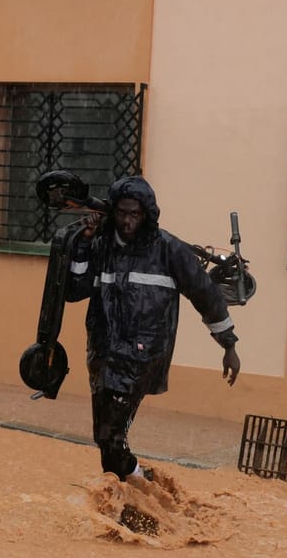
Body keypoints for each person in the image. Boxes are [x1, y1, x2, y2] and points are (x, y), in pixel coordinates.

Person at [63, 176, 241, 481]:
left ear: (146, 214)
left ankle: (141, 502)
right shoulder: (101, 245)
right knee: (105, 441)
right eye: (121, 213)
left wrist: (228, 345)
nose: (127, 221)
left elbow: (205, 295)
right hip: (104, 358)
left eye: (135, 214)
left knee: (111, 440)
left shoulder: (168, 250)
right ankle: (140, 491)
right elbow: (74, 289)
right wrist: (83, 242)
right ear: (113, 211)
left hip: (141, 360)